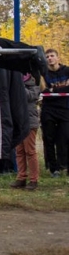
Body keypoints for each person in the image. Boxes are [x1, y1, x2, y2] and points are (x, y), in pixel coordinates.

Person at [40, 48, 69, 177]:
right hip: (48, 109)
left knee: (65, 138)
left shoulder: (67, 71)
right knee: (49, 138)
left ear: (58, 58)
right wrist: (56, 90)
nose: (50, 58)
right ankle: (53, 168)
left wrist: (53, 90)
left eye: (52, 56)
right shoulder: (43, 73)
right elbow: (44, 90)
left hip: (65, 109)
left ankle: (64, 165)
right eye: (47, 57)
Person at [10, 73, 40, 190]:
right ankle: (21, 177)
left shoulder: (34, 85)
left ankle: (34, 179)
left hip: (30, 122)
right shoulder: (15, 84)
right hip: (18, 122)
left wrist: (19, 86)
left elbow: (28, 96)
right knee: (19, 151)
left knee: (30, 151)